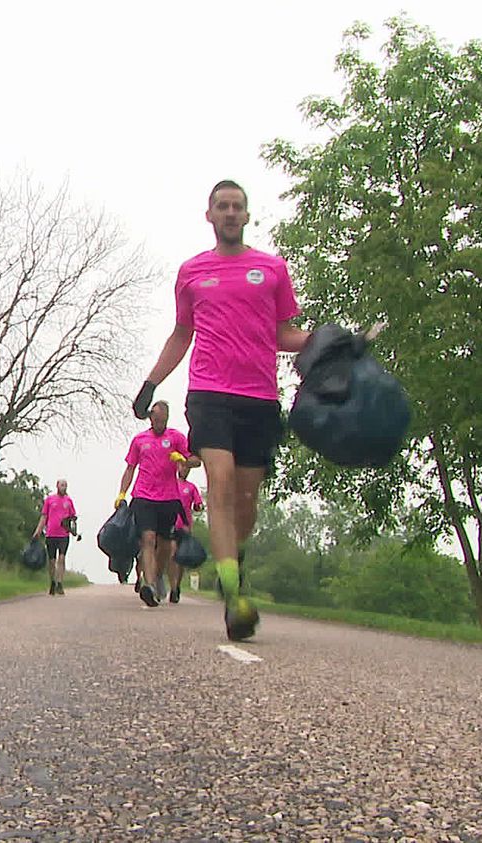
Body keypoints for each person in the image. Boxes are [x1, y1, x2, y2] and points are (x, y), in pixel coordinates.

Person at [132, 180, 310, 640]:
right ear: (209, 215)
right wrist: (151, 384)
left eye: (238, 207)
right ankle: (233, 595)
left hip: (259, 397)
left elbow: (283, 335)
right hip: (209, 392)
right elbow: (181, 334)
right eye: (222, 206)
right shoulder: (192, 272)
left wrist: (325, 341)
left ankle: (236, 558)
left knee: (246, 502)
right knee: (221, 479)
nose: (230, 213)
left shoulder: (272, 270)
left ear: (247, 216)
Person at [115, 400, 199, 607]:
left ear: (167, 419)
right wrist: (122, 493)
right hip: (143, 496)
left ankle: (158, 575)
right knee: (148, 538)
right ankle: (149, 585)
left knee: (165, 544)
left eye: (162, 420)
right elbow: (130, 468)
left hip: (169, 498)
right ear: (150, 418)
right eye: (155, 419)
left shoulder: (176, 437)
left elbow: (196, 460)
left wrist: (183, 460)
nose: (158, 423)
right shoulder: (139, 440)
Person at [166, 463, 205, 603]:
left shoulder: (191, 487)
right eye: (182, 467)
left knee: (180, 558)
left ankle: (177, 586)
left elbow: (198, 504)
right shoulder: (170, 484)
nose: (184, 470)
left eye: (187, 468)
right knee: (172, 555)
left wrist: (198, 506)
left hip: (185, 526)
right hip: (170, 523)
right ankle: (172, 586)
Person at [33, 479, 79, 595]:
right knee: (52, 560)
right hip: (51, 534)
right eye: (62, 485)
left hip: (63, 534)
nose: (64, 487)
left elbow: (73, 517)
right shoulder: (50, 500)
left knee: (62, 558)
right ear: (57, 486)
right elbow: (44, 517)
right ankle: (52, 582)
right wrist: (38, 531)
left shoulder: (68, 501)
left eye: (66, 486)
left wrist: (74, 530)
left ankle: (60, 583)